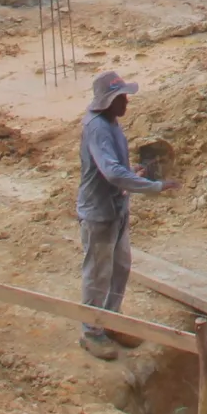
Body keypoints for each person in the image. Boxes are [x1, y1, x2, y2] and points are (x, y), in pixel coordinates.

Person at [77, 70, 174, 360]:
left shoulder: (112, 124)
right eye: (122, 98)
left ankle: (111, 319)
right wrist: (153, 186)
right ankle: (92, 332)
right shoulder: (97, 128)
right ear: (108, 101)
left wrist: (133, 174)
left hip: (116, 209)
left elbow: (117, 169)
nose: (127, 103)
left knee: (120, 267)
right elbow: (110, 172)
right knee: (98, 273)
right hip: (99, 213)